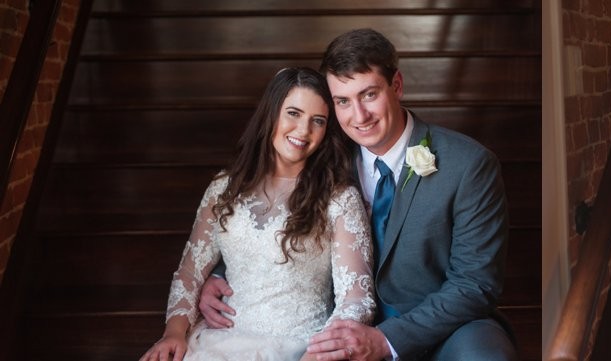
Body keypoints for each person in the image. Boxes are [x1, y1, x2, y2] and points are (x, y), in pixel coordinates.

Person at [199, 29, 516, 361]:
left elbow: (474, 284)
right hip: (334, 322)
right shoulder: (321, 157)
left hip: (441, 328)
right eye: (343, 101)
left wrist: (386, 340)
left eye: (369, 94)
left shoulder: (468, 165)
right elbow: (265, 215)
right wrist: (219, 276)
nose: (358, 116)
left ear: (396, 86)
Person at [139, 67, 375, 361]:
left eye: (318, 121)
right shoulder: (223, 188)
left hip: (300, 348)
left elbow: (356, 298)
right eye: (293, 113)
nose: (303, 130)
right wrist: (173, 333)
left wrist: (320, 353)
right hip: (218, 344)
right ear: (271, 113)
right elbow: (190, 273)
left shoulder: (339, 199)